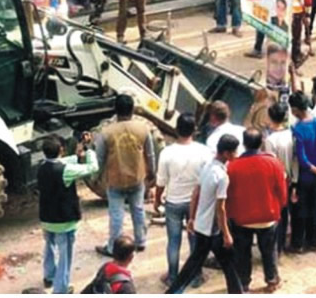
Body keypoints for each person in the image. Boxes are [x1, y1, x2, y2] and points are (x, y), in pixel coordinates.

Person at [165, 134, 243, 294]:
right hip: (213, 230)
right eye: (234, 152)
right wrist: (226, 234)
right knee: (224, 263)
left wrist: (192, 218)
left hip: (202, 224)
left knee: (201, 263)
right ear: (227, 154)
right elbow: (220, 209)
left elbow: (195, 193)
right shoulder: (222, 177)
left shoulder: (208, 167)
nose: (236, 155)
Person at [37, 133, 99, 294]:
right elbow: (92, 168)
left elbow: (61, 162)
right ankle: (61, 289)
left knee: (49, 247)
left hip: (47, 218)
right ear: (62, 150)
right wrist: (89, 151)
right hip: (64, 221)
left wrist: (77, 155)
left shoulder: (42, 166)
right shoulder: (66, 171)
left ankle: (49, 276)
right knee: (65, 256)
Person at [94, 93, 155, 256]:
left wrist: (96, 177)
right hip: (137, 179)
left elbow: (99, 159)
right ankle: (141, 242)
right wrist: (152, 172)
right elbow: (150, 154)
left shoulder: (106, 132)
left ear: (115, 110)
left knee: (116, 215)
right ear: (132, 109)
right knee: (138, 210)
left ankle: (113, 247)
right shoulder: (143, 129)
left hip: (115, 180)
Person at [226, 129, 287, 292]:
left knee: (243, 253)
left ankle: (244, 283)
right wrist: (279, 207)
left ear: (244, 144)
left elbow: (228, 194)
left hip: (241, 218)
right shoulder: (273, 163)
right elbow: (281, 191)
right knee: (269, 251)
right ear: (261, 143)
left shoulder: (233, 166)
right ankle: (272, 280)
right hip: (268, 216)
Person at [155, 114, 210, 288]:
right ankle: (195, 276)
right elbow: (207, 178)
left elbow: (161, 182)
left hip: (173, 202)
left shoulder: (167, 152)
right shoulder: (203, 151)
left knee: (173, 241)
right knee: (195, 240)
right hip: (196, 203)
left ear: (177, 129)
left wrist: (157, 200)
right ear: (194, 130)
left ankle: (172, 276)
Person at [288, 93, 316, 253]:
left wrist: (313, 168)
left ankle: (298, 243)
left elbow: (301, 156)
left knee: (301, 210)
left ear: (295, 109)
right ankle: (314, 241)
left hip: (305, 176)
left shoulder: (297, 129)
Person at [263, 102, 294, 254]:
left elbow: (271, 163)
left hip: (277, 180)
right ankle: (281, 244)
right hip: (290, 178)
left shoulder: (270, 140)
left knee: (276, 214)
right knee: (285, 212)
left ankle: (275, 247)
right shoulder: (290, 135)